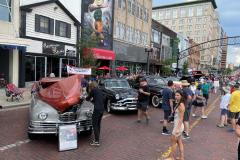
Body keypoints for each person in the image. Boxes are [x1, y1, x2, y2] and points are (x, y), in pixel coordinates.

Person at [86, 81, 105, 146]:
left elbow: (88, 98)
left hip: (97, 109)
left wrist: (84, 98)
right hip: (102, 109)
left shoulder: (93, 90)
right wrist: (93, 100)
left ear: (91, 86)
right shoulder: (99, 90)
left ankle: (96, 141)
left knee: (94, 124)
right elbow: (99, 99)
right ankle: (97, 139)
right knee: (98, 124)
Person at [170, 90, 186, 160]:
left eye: (178, 95)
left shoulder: (181, 104)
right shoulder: (178, 103)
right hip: (177, 125)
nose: (176, 96)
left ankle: (171, 157)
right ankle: (181, 157)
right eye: (175, 95)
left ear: (181, 96)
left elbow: (181, 118)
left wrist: (177, 129)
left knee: (173, 142)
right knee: (179, 142)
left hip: (178, 126)